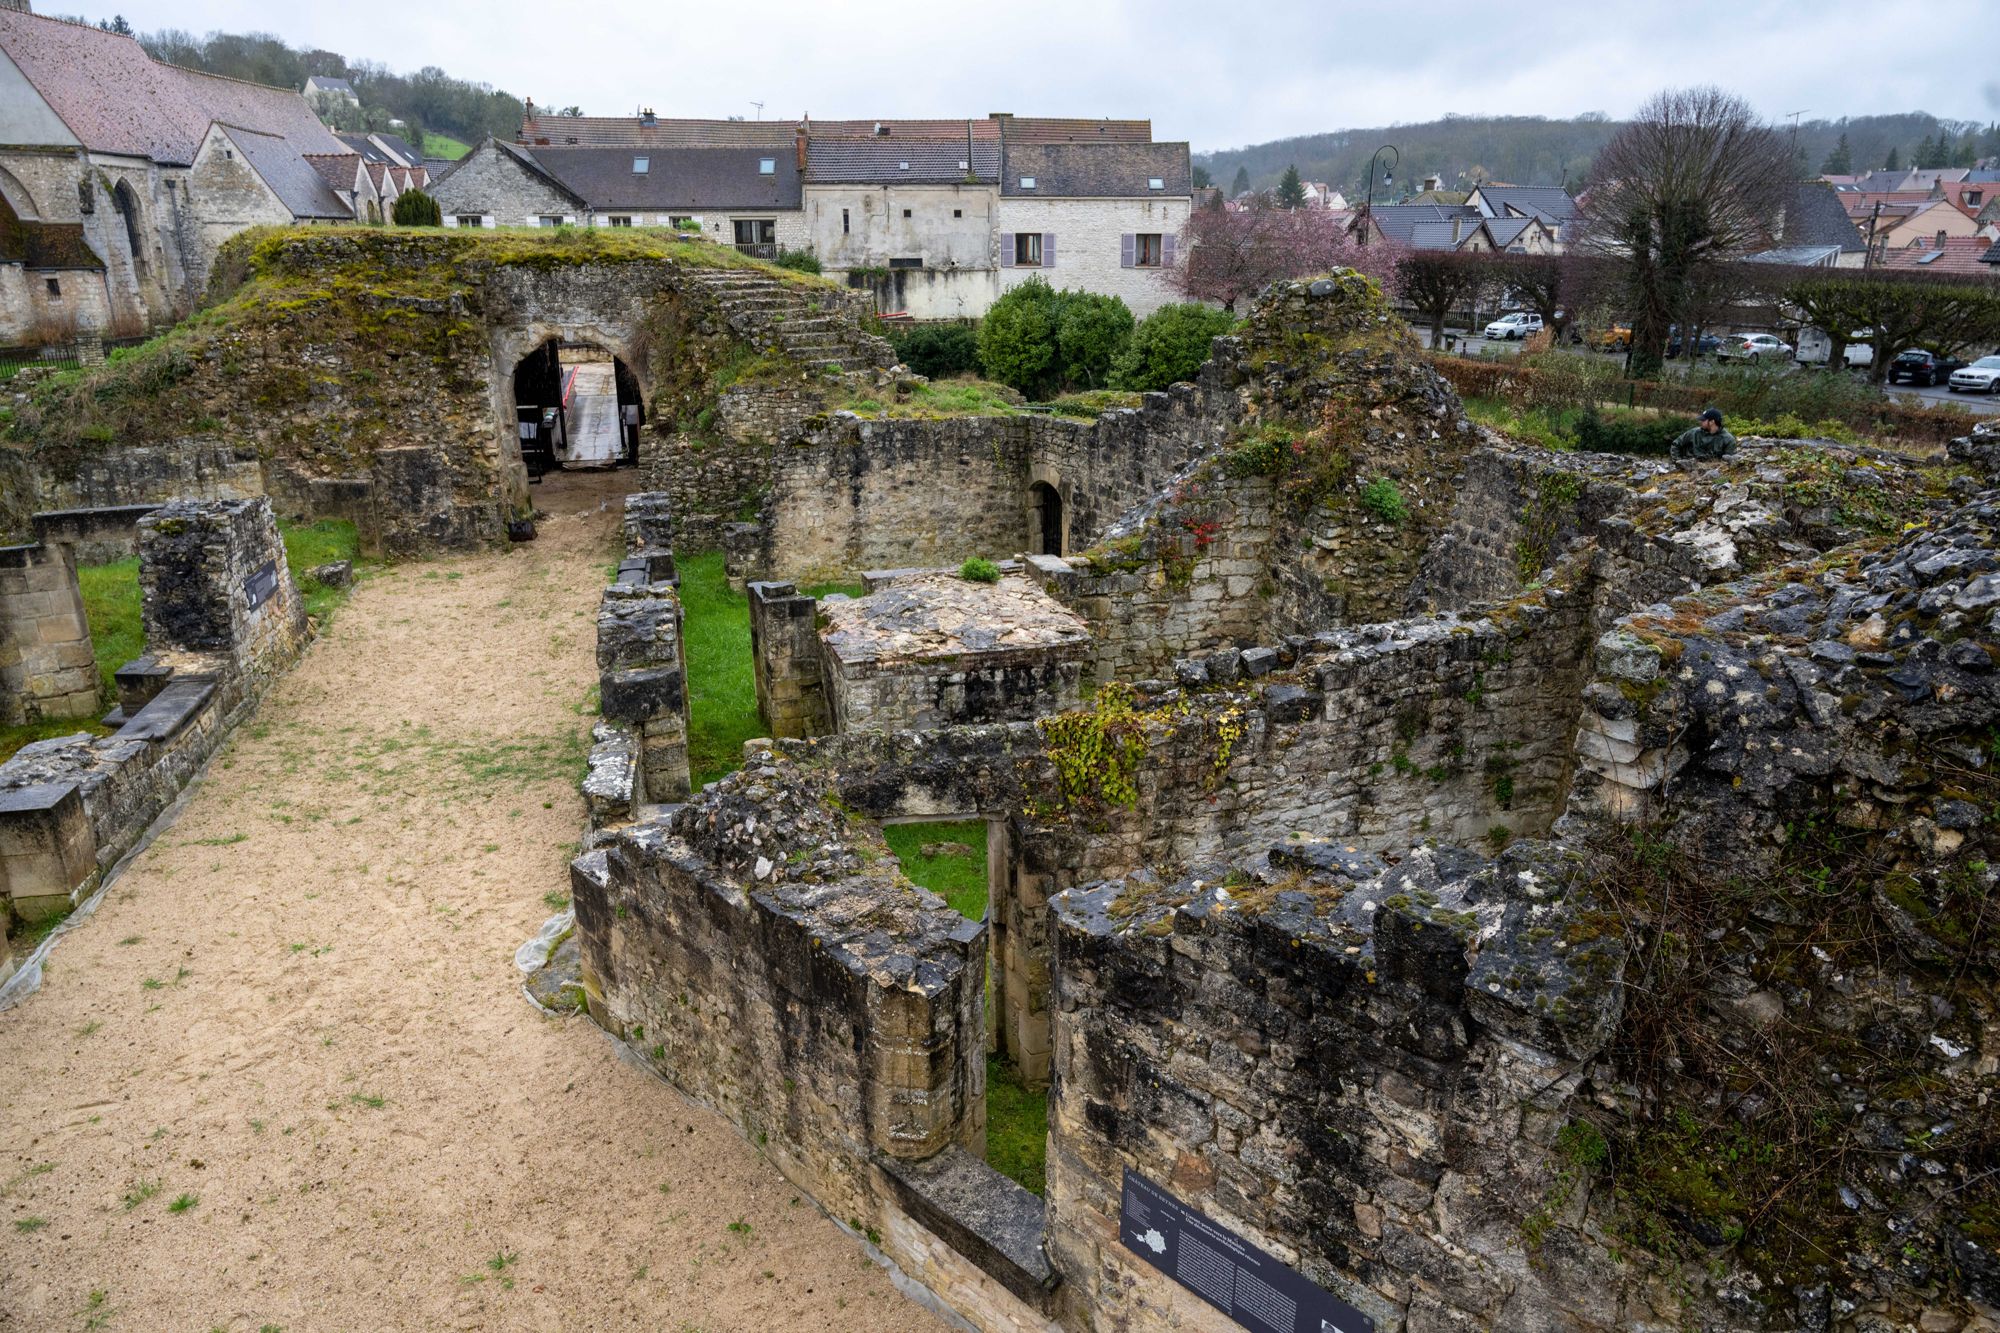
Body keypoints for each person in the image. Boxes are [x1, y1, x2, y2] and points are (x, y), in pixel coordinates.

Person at [1671, 407, 1737, 463]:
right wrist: (1678, 461)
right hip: (1688, 470)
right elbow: (1676, 444)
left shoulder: (1729, 440)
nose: (1700, 422)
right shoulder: (1694, 432)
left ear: (1712, 422)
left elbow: (1728, 462)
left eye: (1703, 420)